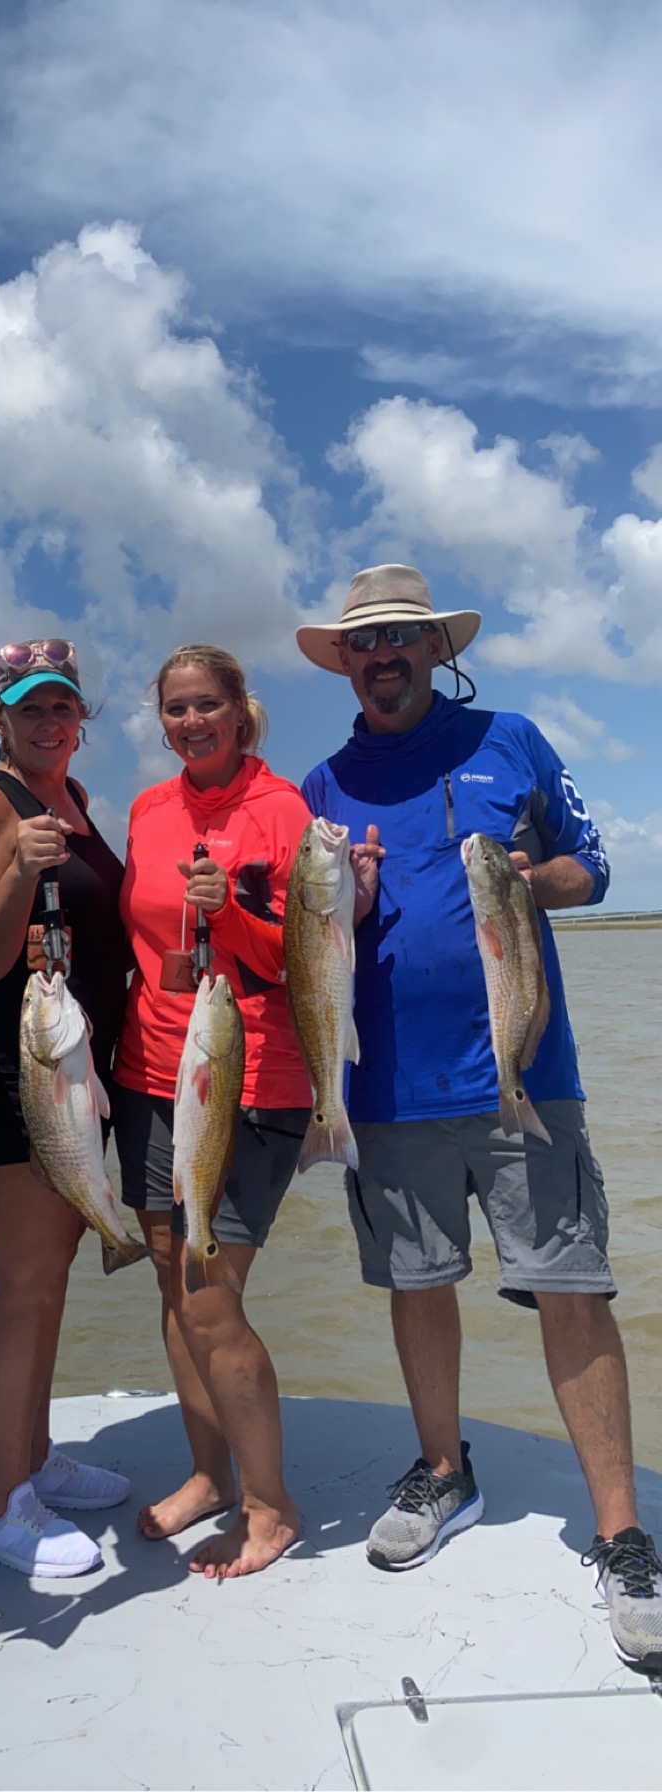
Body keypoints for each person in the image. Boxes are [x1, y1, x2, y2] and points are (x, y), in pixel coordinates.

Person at [297, 562, 662, 1675]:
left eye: (404, 635)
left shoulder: (513, 738)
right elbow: (303, 939)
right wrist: (336, 897)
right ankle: (443, 1468)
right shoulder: (322, 782)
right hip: (389, 1090)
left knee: (572, 1286)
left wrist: (533, 878)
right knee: (416, 1287)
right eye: (366, 642)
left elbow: (592, 870)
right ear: (345, 661)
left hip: (525, 1072)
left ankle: (621, 1533)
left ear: (435, 648)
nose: (385, 654)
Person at [113, 644, 313, 1579]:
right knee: (171, 1284)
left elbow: (297, 959)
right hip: (149, 1071)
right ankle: (209, 1473)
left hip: (249, 1074)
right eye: (176, 710)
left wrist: (227, 913)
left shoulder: (280, 812)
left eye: (207, 707)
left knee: (209, 1295)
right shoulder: (150, 809)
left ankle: (271, 1506)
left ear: (240, 711)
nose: (191, 723)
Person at [0, 640, 129, 1579]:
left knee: (51, 1269)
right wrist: (17, 869)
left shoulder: (77, 802)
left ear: (80, 720)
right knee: (25, 1277)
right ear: (0, 718)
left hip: (78, 1065)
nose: (50, 723)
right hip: (21, 1076)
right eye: (30, 709)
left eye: (64, 709)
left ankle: (35, 1455)